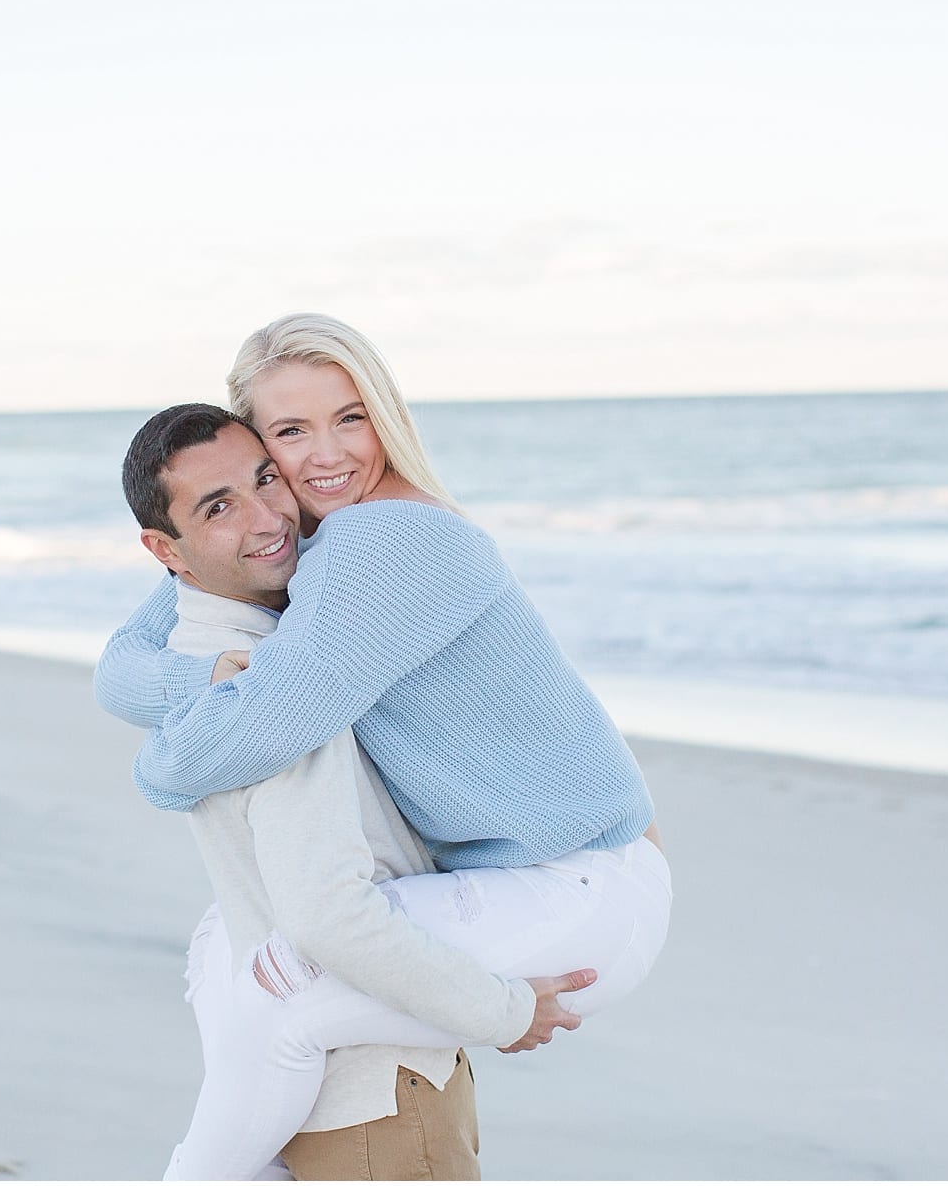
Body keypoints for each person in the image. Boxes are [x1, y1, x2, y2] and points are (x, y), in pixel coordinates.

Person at [96, 314, 675, 1180]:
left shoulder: (385, 541)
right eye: (291, 432)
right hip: (521, 876)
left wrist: (159, 762)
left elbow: (257, 727)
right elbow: (121, 667)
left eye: (351, 418)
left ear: (387, 416)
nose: (326, 455)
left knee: (276, 1001)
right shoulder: (301, 534)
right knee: (230, 956)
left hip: (576, 887)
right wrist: (203, 679)